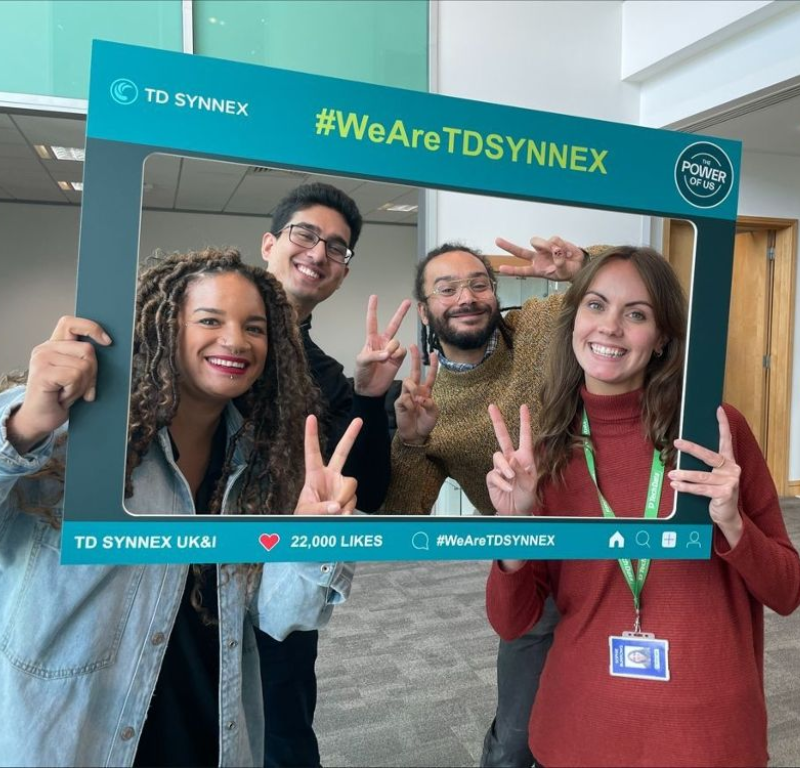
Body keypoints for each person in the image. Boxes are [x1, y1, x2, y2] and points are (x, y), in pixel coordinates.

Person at [0, 248, 361, 767]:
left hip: (210, 733)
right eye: (209, 320)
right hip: (65, 736)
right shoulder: (64, 429)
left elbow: (280, 617)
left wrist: (310, 537)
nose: (236, 341)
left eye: (255, 328)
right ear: (165, 327)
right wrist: (26, 426)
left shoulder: (263, 462)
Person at [485, 246, 800, 767]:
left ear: (660, 341)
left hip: (705, 736)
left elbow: (787, 591)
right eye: (596, 305)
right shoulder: (545, 454)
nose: (610, 327)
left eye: (636, 314)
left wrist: (732, 523)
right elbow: (511, 621)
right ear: (573, 322)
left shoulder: (713, 435)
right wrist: (512, 528)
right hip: (578, 733)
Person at [382, 236, 603, 767]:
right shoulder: (424, 402)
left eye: (478, 283)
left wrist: (584, 268)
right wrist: (410, 441)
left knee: (615, 714)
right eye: (447, 288)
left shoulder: (537, 328)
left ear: (496, 290)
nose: (467, 297)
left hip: (608, 547)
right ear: (427, 306)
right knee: (517, 742)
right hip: (529, 569)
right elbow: (404, 518)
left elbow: (634, 290)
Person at [259, 182, 409, 767]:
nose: (319, 253)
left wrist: (370, 398)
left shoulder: (325, 376)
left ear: (343, 272)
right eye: (305, 234)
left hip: (283, 588)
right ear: (270, 242)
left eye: (338, 248)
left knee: (283, 739)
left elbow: (366, 489)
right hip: (184, 580)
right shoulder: (191, 342)